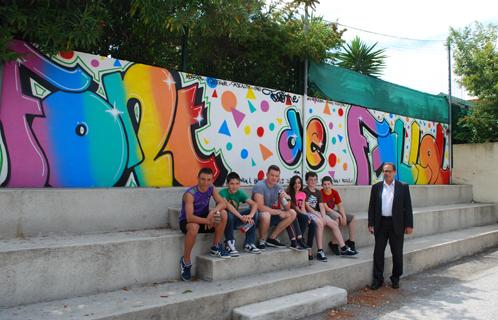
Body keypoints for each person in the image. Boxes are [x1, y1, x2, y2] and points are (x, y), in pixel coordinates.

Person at [179, 168, 230, 281]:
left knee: (223, 214)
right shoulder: (190, 194)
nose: (205, 182)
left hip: (204, 217)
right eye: (203, 179)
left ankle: (215, 246)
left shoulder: (211, 188)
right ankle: (186, 261)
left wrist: (212, 212)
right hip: (188, 222)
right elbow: (189, 217)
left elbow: (222, 203)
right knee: (194, 226)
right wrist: (208, 221)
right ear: (197, 179)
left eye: (208, 180)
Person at [368, 163, 413, 290]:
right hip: (381, 224)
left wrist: (409, 225)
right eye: (384, 171)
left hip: (397, 224)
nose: (386, 173)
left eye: (388, 171)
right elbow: (372, 206)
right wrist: (371, 223)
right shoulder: (376, 187)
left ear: (394, 172)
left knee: (397, 253)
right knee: (378, 253)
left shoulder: (403, 187)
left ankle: (395, 278)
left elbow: (408, 207)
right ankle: (378, 279)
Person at [303, 172, 357, 261]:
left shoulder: (317, 192)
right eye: (310, 180)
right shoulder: (305, 191)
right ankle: (320, 251)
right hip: (309, 213)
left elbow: (321, 206)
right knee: (320, 223)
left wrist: (324, 216)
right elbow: (307, 207)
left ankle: (343, 247)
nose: (313, 181)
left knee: (334, 224)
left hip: (318, 213)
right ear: (307, 181)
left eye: (314, 180)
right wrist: (319, 216)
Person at [252, 165, 296, 250]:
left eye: (276, 176)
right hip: (257, 216)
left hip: (270, 214)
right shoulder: (260, 186)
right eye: (272, 175)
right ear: (267, 174)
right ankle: (262, 241)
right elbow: (260, 207)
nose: (274, 178)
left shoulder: (278, 187)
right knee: (266, 215)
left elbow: (287, 208)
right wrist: (279, 212)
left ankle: (272, 238)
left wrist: (287, 198)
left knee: (292, 213)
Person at [220, 172, 261, 255]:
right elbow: (228, 206)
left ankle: (249, 243)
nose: (234, 186)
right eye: (232, 184)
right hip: (224, 221)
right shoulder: (222, 193)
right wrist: (241, 217)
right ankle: (229, 243)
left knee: (255, 212)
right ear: (227, 184)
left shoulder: (240, 193)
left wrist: (250, 216)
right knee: (229, 215)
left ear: (239, 184)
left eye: (237, 184)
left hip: (235, 219)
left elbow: (254, 204)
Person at [321, 176, 358, 255]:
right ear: (322, 185)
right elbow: (326, 208)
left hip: (333, 211)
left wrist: (343, 216)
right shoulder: (321, 192)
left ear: (331, 184)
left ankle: (351, 242)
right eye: (325, 184)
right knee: (338, 218)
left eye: (328, 184)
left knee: (352, 218)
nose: (327, 186)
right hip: (326, 212)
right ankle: (334, 243)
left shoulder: (334, 192)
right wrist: (340, 216)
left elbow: (340, 206)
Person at [286, 175, 317, 258]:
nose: (297, 185)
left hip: (301, 215)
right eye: (295, 183)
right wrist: (305, 216)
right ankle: (300, 240)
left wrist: (308, 217)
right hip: (294, 215)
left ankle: (309, 248)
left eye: (299, 183)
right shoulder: (288, 193)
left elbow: (303, 208)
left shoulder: (302, 194)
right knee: (305, 218)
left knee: (313, 224)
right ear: (292, 184)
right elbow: (295, 208)